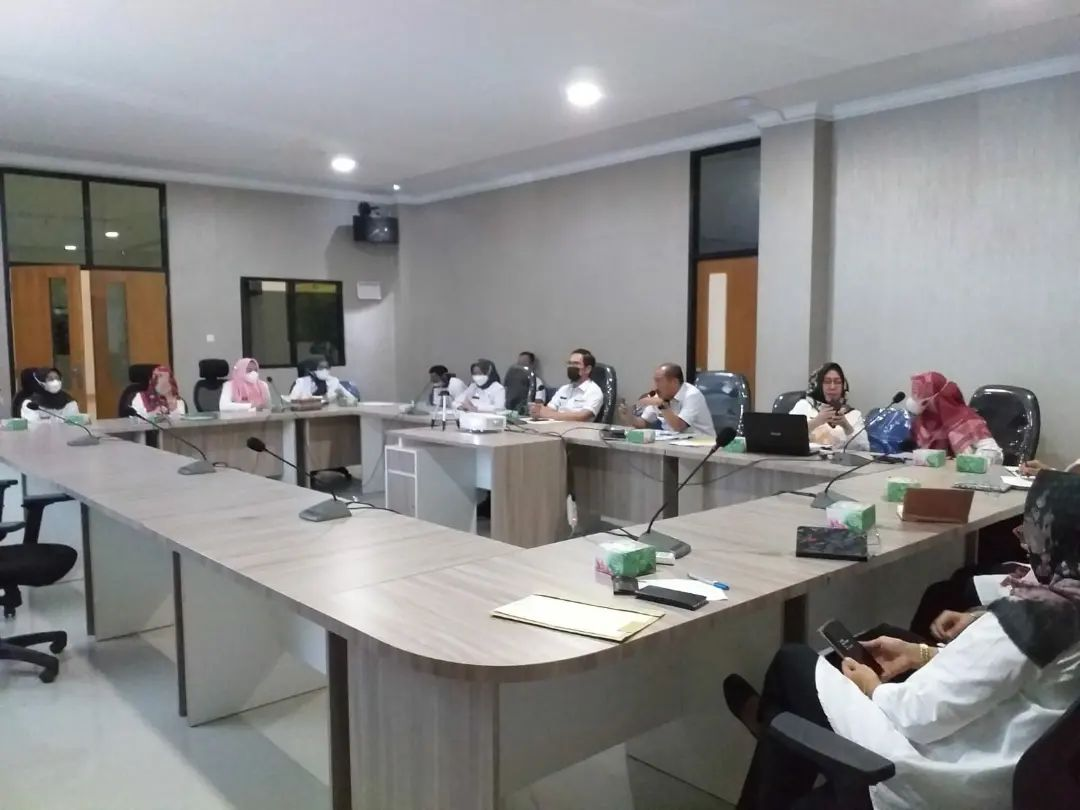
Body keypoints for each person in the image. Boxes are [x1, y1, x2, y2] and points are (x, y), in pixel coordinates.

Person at [724, 469, 1080, 810]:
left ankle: (771, 727)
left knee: (792, 664)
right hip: (1004, 761)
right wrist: (920, 653)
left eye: (1030, 534)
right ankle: (777, 727)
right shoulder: (1067, 599)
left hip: (936, 775)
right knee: (876, 641)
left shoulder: (1038, 617)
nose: (1024, 544)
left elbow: (918, 716)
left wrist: (872, 688)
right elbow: (1008, 672)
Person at [907, 371, 1003, 462]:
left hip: (962, 472)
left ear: (938, 399)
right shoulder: (921, 422)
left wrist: (973, 463)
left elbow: (992, 451)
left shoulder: (966, 419)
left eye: (923, 400)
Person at [789, 362, 868, 450]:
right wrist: (816, 421)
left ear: (843, 387)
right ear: (819, 385)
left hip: (839, 458)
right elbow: (786, 436)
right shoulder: (804, 406)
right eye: (827, 382)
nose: (832, 387)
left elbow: (864, 448)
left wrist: (846, 426)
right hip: (808, 457)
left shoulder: (854, 414)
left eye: (837, 382)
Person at [628, 363, 715, 436]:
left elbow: (679, 427)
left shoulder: (692, 395)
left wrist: (662, 405)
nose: (655, 386)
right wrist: (628, 416)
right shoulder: (659, 395)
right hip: (674, 443)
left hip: (701, 445)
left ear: (674, 382)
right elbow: (643, 423)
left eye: (658, 381)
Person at [529, 348, 604, 422]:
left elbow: (582, 417)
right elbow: (549, 409)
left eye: (576, 363)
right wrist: (538, 411)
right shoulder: (564, 389)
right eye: (570, 363)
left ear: (588, 369)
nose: (571, 367)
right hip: (555, 426)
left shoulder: (594, 391)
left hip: (578, 429)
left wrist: (547, 414)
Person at [289, 358, 357, 404]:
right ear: (311, 370)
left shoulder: (333, 381)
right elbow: (292, 400)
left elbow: (352, 399)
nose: (324, 370)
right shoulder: (301, 382)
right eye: (321, 368)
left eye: (327, 367)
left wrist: (342, 396)